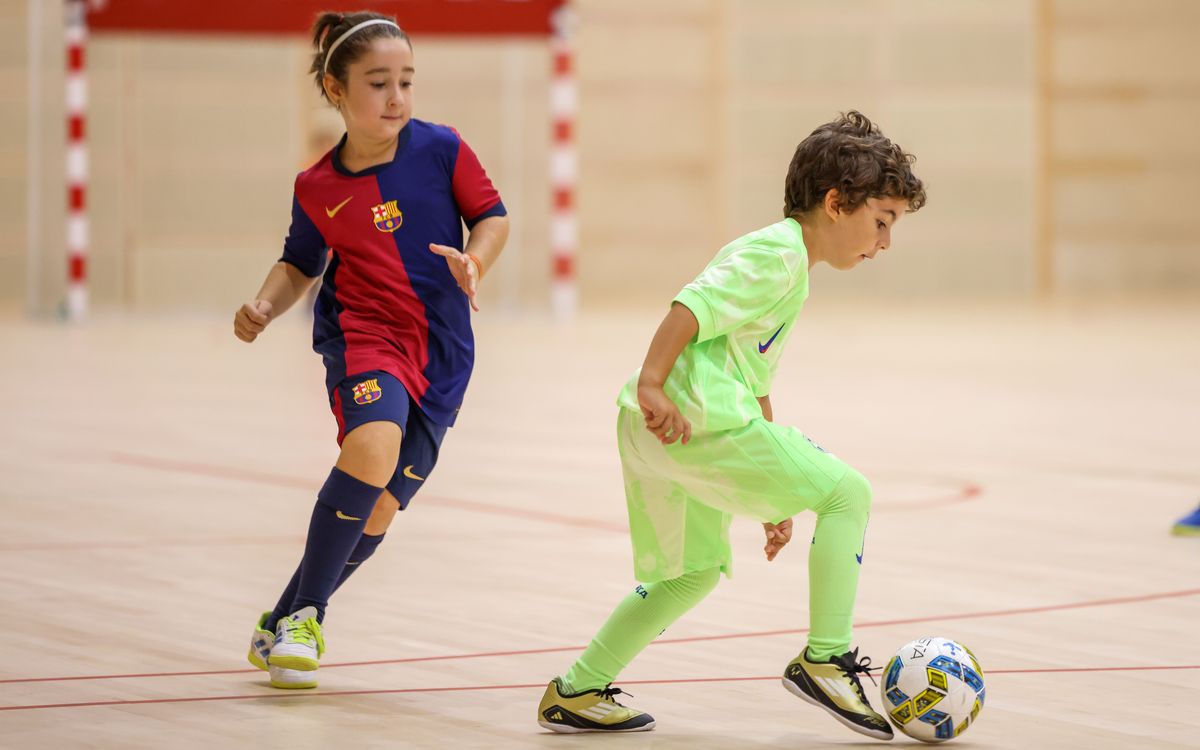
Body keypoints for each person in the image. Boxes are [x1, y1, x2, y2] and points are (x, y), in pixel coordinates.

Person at [536, 111, 925, 739]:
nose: (883, 242)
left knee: (691, 574)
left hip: (662, 428)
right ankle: (826, 658)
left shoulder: (790, 268)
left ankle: (577, 690)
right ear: (835, 203)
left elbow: (756, 381)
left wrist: (772, 498)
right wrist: (652, 382)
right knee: (848, 492)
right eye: (882, 222)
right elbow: (692, 304)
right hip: (690, 418)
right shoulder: (776, 255)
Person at [234, 10, 508, 689]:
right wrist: (267, 304)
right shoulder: (318, 186)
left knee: (382, 504)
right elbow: (300, 262)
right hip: (366, 335)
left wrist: (475, 262)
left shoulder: (442, 149)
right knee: (371, 448)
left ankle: (284, 617)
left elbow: (493, 217)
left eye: (406, 82)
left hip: (443, 347)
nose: (396, 98)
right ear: (336, 88)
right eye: (379, 83)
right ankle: (308, 618)